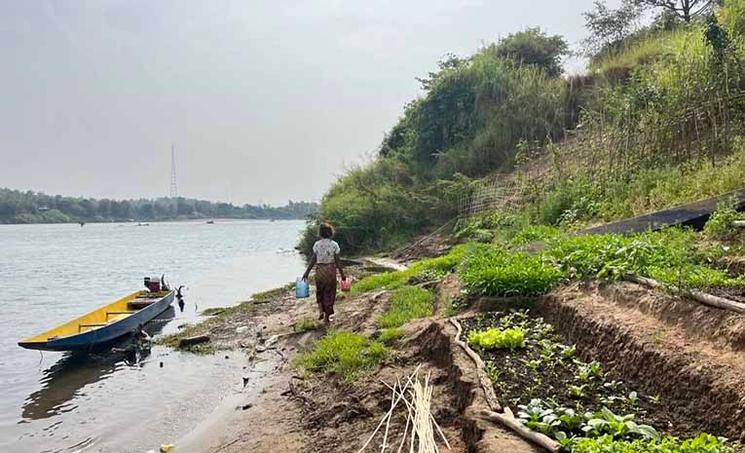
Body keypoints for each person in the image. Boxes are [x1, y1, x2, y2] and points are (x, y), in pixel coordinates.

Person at [302, 222, 346, 323]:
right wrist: (342, 274)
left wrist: (307, 272)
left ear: (320, 233)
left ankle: (321, 310)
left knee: (320, 291)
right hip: (330, 270)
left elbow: (313, 260)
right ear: (331, 233)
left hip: (320, 270)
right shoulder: (334, 245)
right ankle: (326, 317)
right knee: (330, 292)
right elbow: (338, 261)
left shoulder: (317, 245)